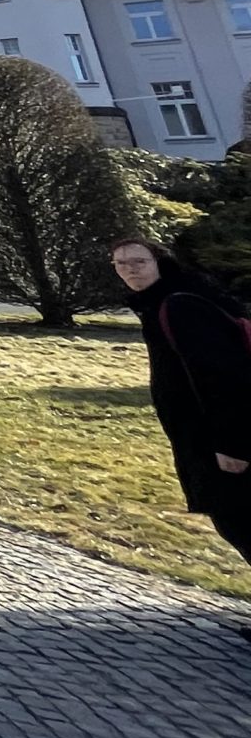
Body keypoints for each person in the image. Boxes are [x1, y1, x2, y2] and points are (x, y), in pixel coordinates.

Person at [111, 238, 251, 564]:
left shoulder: (179, 306)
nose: (130, 269)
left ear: (160, 262)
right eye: (121, 264)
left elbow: (224, 377)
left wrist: (232, 445)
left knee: (239, 521)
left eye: (139, 261)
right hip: (208, 436)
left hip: (222, 439)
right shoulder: (170, 299)